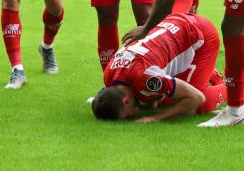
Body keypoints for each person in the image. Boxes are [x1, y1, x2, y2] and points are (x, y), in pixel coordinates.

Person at [92, 13, 230, 123]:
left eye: (127, 117)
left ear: (125, 101)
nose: (132, 116)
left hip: (201, 34)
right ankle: (208, 74)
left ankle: (235, 88)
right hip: (174, 26)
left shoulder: (146, 78)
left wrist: (155, 118)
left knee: (192, 107)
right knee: (159, 98)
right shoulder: (109, 76)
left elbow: (197, 98)